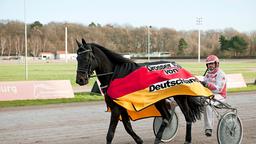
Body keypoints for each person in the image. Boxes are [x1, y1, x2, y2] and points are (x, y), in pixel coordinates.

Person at [201, 55, 227, 137]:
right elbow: (203, 84)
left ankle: (208, 128)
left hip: (220, 96)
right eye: (208, 64)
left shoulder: (221, 74)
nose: (210, 66)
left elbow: (218, 89)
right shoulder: (207, 74)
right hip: (209, 95)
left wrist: (207, 84)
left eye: (211, 64)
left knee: (207, 103)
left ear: (216, 64)